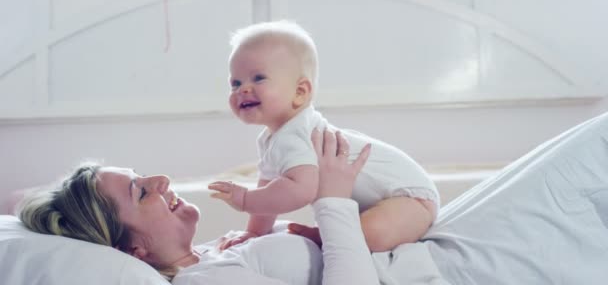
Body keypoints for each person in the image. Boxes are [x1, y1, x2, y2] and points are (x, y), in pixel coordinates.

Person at [17, 112, 608, 284]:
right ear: (134, 249)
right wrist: (335, 198)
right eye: (141, 192)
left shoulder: (216, 254)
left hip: (434, 254)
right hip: (454, 272)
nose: (163, 182)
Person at [207, 20, 439, 252]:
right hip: (380, 204)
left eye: (258, 78)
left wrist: (246, 199)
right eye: (235, 83)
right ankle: (323, 235)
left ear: (300, 92)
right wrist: (256, 231)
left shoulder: (296, 133)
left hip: (411, 199)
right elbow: (269, 184)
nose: (243, 89)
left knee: (367, 235)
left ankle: (321, 237)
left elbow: (299, 190)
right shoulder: (272, 138)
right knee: (350, 229)